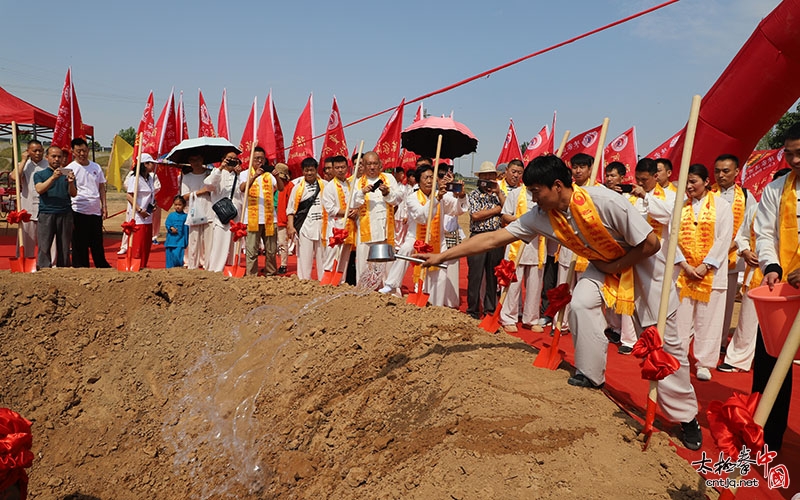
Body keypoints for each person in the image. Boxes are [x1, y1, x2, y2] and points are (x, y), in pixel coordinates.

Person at [417, 154, 702, 451]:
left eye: (536, 191)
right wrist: (441, 257)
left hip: (645, 267)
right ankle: (591, 375)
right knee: (580, 303)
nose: (532, 198)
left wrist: (617, 267)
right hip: (603, 265)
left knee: (664, 345)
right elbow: (494, 239)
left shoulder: (605, 201)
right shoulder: (541, 215)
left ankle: (686, 418)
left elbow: (650, 244)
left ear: (556, 186)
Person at [753, 122, 800, 450]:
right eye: (789, 153)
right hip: (783, 291)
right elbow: (766, 233)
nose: (794, 160)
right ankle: (766, 437)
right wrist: (772, 266)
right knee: (771, 364)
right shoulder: (776, 189)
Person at [675, 164, 733, 382]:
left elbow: (724, 238)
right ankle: (678, 357)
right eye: (686, 182)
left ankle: (704, 363)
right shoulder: (681, 207)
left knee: (709, 320)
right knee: (681, 318)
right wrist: (685, 265)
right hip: (685, 273)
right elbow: (673, 238)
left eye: (693, 182)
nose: (689, 187)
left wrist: (706, 265)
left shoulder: (721, 205)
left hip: (711, 273)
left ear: (707, 182)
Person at [711, 154, 757, 345]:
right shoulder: (706, 193)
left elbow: (749, 227)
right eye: (717, 171)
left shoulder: (746, 196)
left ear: (737, 172)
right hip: (704, 255)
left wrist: (728, 247)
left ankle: (720, 341)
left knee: (726, 303)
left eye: (725, 171)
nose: (721, 175)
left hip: (731, 257)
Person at [499, 178, 545, 333]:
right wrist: (524, 222)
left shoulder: (544, 196)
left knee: (535, 286)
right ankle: (508, 317)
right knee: (512, 285)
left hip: (537, 248)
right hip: (516, 246)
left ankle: (531, 319)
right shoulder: (516, 193)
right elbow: (505, 216)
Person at [351, 151, 403, 284]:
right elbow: (352, 203)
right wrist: (362, 192)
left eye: (375, 163)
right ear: (363, 165)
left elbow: (397, 199)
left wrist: (387, 192)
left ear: (380, 165)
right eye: (369, 164)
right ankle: (363, 292)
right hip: (366, 231)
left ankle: (388, 291)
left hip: (385, 229)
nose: (372, 167)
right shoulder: (357, 182)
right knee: (364, 264)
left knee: (386, 266)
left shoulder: (388, 178)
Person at [466, 161, 506, 319]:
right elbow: (476, 215)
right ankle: (473, 310)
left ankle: (490, 310)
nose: (488, 178)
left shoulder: (499, 194)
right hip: (478, 236)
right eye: (485, 175)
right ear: (480, 177)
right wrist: (497, 210)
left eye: (491, 175)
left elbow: (508, 208)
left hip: (496, 237)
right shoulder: (475, 194)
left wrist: (499, 194)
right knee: (475, 275)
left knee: (492, 275)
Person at [241, 147, 284, 276]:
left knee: (271, 250)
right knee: (252, 250)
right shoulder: (245, 173)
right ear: (251, 159)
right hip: (252, 217)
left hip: (270, 218)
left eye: (262, 158)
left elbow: (281, 188)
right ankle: (251, 275)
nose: (259, 161)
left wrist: (277, 176)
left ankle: (270, 273)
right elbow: (243, 188)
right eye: (256, 158)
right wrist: (254, 176)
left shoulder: (269, 175)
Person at [68, 138, 110, 268]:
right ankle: (81, 266)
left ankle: (101, 264)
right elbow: (69, 190)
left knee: (97, 242)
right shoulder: (70, 168)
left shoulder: (95, 167)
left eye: (84, 151)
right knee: (80, 243)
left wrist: (104, 206)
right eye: (79, 151)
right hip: (78, 209)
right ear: (73, 151)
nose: (82, 154)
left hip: (95, 210)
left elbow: (101, 187)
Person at [33, 146, 75, 268]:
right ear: (47, 158)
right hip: (46, 213)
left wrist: (71, 183)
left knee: (64, 246)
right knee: (44, 246)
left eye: (59, 157)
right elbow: (39, 189)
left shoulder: (67, 173)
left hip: (65, 213)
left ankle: (63, 269)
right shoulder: (40, 174)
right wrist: (53, 178)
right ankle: (44, 269)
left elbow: (73, 193)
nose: (56, 159)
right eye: (53, 156)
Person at [287, 157, 327, 280]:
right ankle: (304, 282)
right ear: (302, 171)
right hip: (305, 226)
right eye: (306, 170)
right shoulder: (297, 188)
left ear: (316, 170)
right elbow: (291, 210)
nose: (309, 173)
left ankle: (323, 282)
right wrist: (291, 226)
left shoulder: (326, 185)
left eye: (311, 170)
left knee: (323, 257)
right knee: (304, 258)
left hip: (322, 226)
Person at [204, 152, 244, 272]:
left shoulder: (239, 175)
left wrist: (239, 174)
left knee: (235, 244)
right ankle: (216, 269)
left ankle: (232, 267)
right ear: (223, 159)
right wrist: (221, 168)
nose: (231, 161)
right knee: (220, 243)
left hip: (236, 213)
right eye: (229, 159)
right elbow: (209, 185)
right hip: (222, 214)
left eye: (234, 159)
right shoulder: (217, 172)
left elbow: (243, 192)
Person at [321, 155, 356, 284]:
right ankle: (327, 283)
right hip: (336, 227)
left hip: (349, 227)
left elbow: (355, 202)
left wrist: (355, 211)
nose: (340, 170)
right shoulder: (330, 187)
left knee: (344, 258)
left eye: (343, 167)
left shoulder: (351, 185)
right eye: (337, 167)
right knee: (332, 256)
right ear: (333, 169)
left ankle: (340, 282)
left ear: (347, 168)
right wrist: (347, 212)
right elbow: (330, 209)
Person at [10, 139, 47, 259]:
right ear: (28, 151)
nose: (38, 153)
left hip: (45, 207)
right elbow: (14, 177)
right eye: (35, 151)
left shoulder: (48, 164)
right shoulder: (24, 165)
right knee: (26, 239)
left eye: (40, 150)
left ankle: (48, 263)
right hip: (28, 208)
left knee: (46, 240)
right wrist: (24, 160)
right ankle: (24, 259)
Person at [125, 153, 159, 268]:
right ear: (145, 164)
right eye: (150, 163)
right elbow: (129, 196)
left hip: (148, 216)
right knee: (138, 244)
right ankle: (135, 266)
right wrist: (139, 210)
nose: (153, 166)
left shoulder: (150, 178)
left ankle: (143, 265)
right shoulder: (135, 178)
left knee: (146, 244)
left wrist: (152, 205)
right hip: (138, 217)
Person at [181, 153, 213, 269]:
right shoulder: (187, 177)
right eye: (193, 160)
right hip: (194, 212)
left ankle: (209, 266)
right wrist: (200, 192)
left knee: (209, 242)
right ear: (189, 162)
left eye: (198, 159)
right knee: (194, 241)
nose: (196, 162)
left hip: (209, 211)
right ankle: (192, 265)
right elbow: (184, 196)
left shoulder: (210, 174)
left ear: (202, 159)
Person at [274, 163, 292, 274]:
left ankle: (283, 264)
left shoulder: (290, 187)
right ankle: (271, 264)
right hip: (271, 217)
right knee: (271, 244)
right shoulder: (272, 185)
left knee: (282, 243)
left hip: (282, 218)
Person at [164, 195, 189, 269]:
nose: (177, 206)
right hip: (170, 241)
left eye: (180, 205)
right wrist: (171, 228)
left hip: (180, 241)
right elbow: (167, 224)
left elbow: (186, 229)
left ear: (184, 205)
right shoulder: (171, 215)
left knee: (177, 256)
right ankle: (169, 271)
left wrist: (186, 241)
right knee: (169, 258)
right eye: (176, 205)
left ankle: (178, 269)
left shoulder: (186, 217)